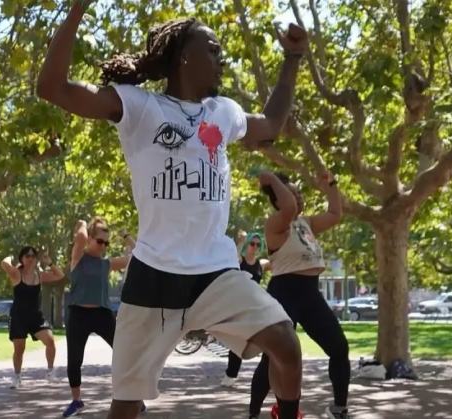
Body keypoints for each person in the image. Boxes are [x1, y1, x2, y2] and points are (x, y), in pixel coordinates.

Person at [37, 3, 307, 418]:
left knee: (286, 343)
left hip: (215, 274)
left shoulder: (225, 113)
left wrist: (292, 59)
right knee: (126, 405)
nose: (222, 59)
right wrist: (76, 8)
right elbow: (52, 88)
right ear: (185, 56)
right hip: (153, 279)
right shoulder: (139, 107)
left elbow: (271, 123)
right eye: (213, 50)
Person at [249, 171, 348, 419]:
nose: (299, 199)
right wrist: (271, 179)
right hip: (284, 294)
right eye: (292, 194)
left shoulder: (307, 224)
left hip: (310, 294)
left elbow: (336, 215)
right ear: (279, 200)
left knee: (339, 348)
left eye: (300, 193)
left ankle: (339, 408)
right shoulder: (275, 225)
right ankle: (253, 414)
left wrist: (331, 186)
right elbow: (289, 209)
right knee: (272, 359)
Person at [62, 217, 145, 417]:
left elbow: (137, 257)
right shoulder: (77, 259)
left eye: (106, 243)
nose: (103, 246)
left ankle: (135, 397)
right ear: (90, 239)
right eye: (99, 241)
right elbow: (80, 237)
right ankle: (76, 401)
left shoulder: (106, 264)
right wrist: (81, 223)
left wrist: (126, 236)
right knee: (74, 360)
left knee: (125, 353)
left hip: (102, 313)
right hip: (78, 314)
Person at [0, 245, 65, 388]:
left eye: (33, 256)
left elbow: (60, 275)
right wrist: (10, 257)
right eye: (27, 256)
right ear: (22, 259)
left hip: (35, 315)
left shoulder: (39, 275)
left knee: (50, 340)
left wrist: (49, 263)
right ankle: (17, 377)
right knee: (19, 349)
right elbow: (4, 264)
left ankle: (50, 372)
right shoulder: (17, 274)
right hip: (18, 316)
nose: (30, 259)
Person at [221, 230, 271, 387]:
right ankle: (230, 375)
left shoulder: (261, 264)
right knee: (238, 340)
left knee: (265, 337)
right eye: (252, 244)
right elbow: (233, 255)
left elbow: (278, 260)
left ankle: (268, 374)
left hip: (254, 306)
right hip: (238, 305)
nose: (255, 247)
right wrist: (241, 240)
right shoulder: (240, 260)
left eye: (258, 244)